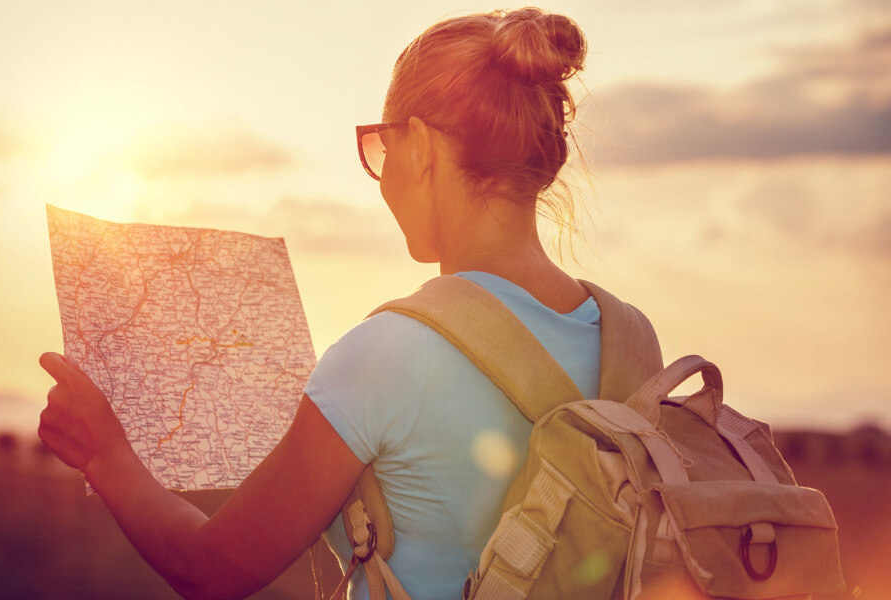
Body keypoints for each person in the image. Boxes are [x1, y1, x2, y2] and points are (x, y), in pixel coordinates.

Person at [38, 7, 595, 600]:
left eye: (380, 147)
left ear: (420, 148)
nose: (381, 178)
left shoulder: (390, 353)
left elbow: (210, 570)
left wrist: (107, 456)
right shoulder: (627, 338)